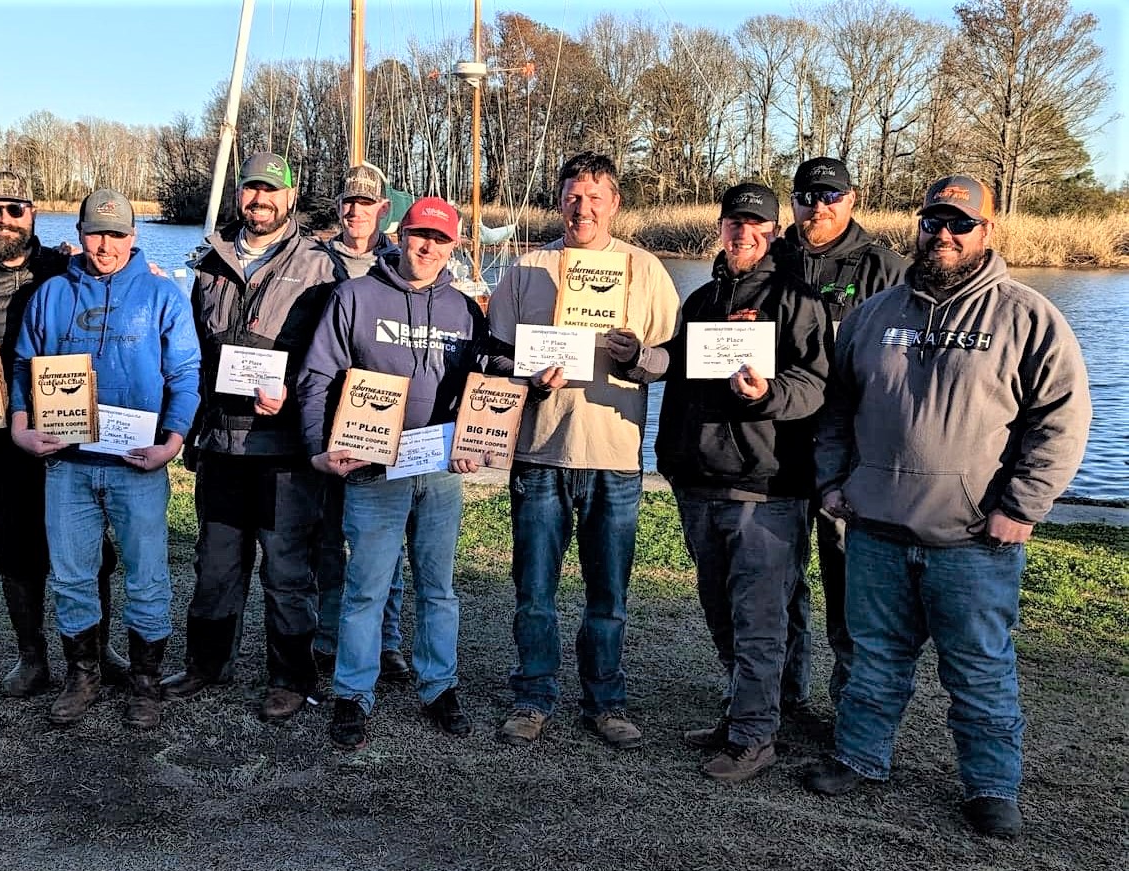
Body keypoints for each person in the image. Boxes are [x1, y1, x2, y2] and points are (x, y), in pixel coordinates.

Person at [801, 176, 1090, 838]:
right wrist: (832, 481)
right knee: (873, 658)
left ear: (988, 230)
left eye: (961, 223)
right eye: (934, 221)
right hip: (874, 528)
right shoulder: (874, 314)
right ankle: (859, 756)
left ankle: (991, 786)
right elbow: (838, 409)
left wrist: (1022, 504)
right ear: (919, 226)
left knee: (980, 669)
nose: (946, 234)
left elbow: (1063, 419)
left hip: (974, 539)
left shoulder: (1026, 316)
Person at [611, 183, 831, 781]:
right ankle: (743, 714)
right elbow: (677, 362)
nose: (743, 234)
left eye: (756, 225)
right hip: (698, 480)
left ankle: (756, 739)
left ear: (772, 231)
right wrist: (636, 358)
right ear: (721, 227)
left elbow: (815, 385)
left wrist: (768, 394)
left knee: (760, 618)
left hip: (765, 487)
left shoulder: (796, 300)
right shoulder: (703, 297)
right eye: (734, 223)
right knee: (720, 611)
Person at [299, 197, 514, 750]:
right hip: (374, 469)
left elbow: (480, 387)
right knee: (366, 588)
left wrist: (477, 441)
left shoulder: (466, 311)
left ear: (455, 246)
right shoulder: (355, 295)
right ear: (400, 234)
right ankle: (352, 692)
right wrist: (319, 449)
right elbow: (318, 375)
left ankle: (438, 685)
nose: (428, 248)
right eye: (420, 235)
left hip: (441, 470)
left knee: (438, 588)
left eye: (441, 240)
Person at [486, 152, 680, 748]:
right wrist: (525, 375)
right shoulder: (526, 268)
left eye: (596, 197)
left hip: (616, 457)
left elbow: (671, 358)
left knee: (609, 594)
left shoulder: (644, 270)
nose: (583, 207)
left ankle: (605, 700)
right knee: (535, 590)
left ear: (615, 203)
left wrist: (636, 359)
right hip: (540, 453)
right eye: (573, 195)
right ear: (560, 199)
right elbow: (492, 357)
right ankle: (533, 694)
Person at [0, 170, 126, 697]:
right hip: (0, 447)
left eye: (15, 209)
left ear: (33, 212)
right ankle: (32, 657)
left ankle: (98, 652)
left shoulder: (67, 267)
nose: (4, 220)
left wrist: (143, 270)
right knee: (17, 551)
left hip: (73, 441)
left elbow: (118, 297)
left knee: (91, 549)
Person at [9, 189, 200, 730]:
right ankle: (83, 675)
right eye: (96, 233)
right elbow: (25, 366)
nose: (105, 245)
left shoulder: (163, 296)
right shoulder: (51, 294)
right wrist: (22, 427)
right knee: (72, 575)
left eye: (117, 235)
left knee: (147, 578)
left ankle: (145, 682)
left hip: (137, 463)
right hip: (66, 462)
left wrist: (173, 441)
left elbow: (185, 375)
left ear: (133, 237)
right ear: (80, 232)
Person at [165, 152, 336, 720]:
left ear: (291, 198)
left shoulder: (319, 264)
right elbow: (189, 349)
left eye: (271, 191)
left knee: (287, 567)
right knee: (214, 563)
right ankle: (206, 666)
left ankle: (290, 677)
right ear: (239, 194)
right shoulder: (210, 260)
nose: (259, 200)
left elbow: (329, 357)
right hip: (219, 441)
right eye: (251, 189)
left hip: (283, 446)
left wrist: (292, 391)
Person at [773, 157, 906, 715]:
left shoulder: (885, 268)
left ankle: (852, 714)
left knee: (850, 589)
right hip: (776, 449)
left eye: (830, 195)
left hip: (849, 456)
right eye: (806, 195)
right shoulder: (770, 256)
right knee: (777, 587)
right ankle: (777, 700)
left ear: (853, 198)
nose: (817, 207)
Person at [311, 162, 410, 682]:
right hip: (326, 416)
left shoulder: (399, 264)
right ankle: (329, 636)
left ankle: (386, 641)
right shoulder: (312, 259)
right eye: (348, 201)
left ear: (383, 210)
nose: (355, 210)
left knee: (382, 541)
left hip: (380, 420)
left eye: (366, 202)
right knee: (328, 537)